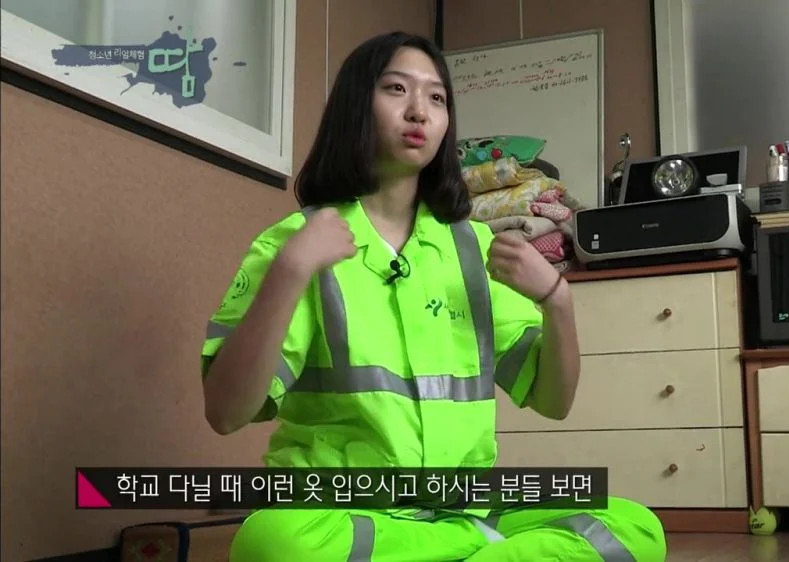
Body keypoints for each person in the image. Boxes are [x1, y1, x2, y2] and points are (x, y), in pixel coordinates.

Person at [201, 31, 668, 561]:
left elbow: (554, 401)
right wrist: (290, 272)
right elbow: (226, 412)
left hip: (464, 507)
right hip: (342, 512)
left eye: (437, 97)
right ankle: (474, 551)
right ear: (356, 105)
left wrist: (557, 301)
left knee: (633, 526)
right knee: (271, 543)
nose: (419, 111)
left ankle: (460, 546)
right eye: (396, 89)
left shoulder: (475, 248)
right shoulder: (292, 245)